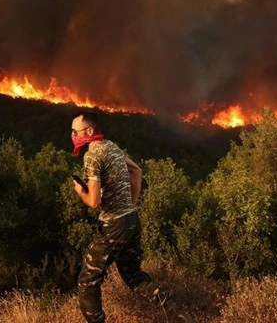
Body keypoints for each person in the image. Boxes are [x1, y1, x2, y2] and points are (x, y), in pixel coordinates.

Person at [69, 111, 195, 323]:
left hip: (115, 225)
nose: (72, 135)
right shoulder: (111, 147)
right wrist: (130, 204)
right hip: (131, 219)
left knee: (87, 280)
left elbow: (93, 202)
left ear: (89, 131)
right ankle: (182, 316)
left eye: (75, 131)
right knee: (134, 276)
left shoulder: (92, 155)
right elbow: (136, 171)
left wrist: (79, 191)